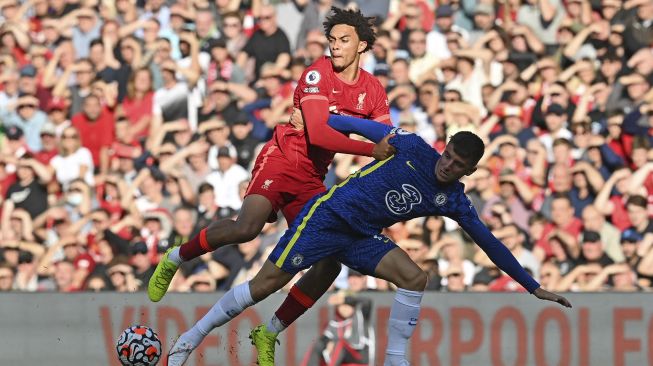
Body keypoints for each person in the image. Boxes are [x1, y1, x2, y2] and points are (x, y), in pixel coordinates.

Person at [165, 117, 571, 366]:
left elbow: (490, 243)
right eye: (447, 156)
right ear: (443, 149)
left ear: (471, 170)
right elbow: (350, 125)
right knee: (265, 285)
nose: (447, 166)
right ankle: (189, 340)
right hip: (327, 217)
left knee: (415, 278)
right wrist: (312, 121)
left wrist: (532, 286)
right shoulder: (412, 146)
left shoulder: (455, 200)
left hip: (361, 235)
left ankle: (393, 360)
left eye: (458, 165)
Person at [148, 5, 394, 338]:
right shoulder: (317, 73)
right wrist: (370, 149)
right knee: (247, 227)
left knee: (329, 262)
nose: (335, 46)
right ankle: (177, 256)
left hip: (313, 177)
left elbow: (387, 137)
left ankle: (271, 331)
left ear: (362, 45)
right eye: (332, 40)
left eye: (344, 40)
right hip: (283, 158)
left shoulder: (373, 90)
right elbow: (321, 134)